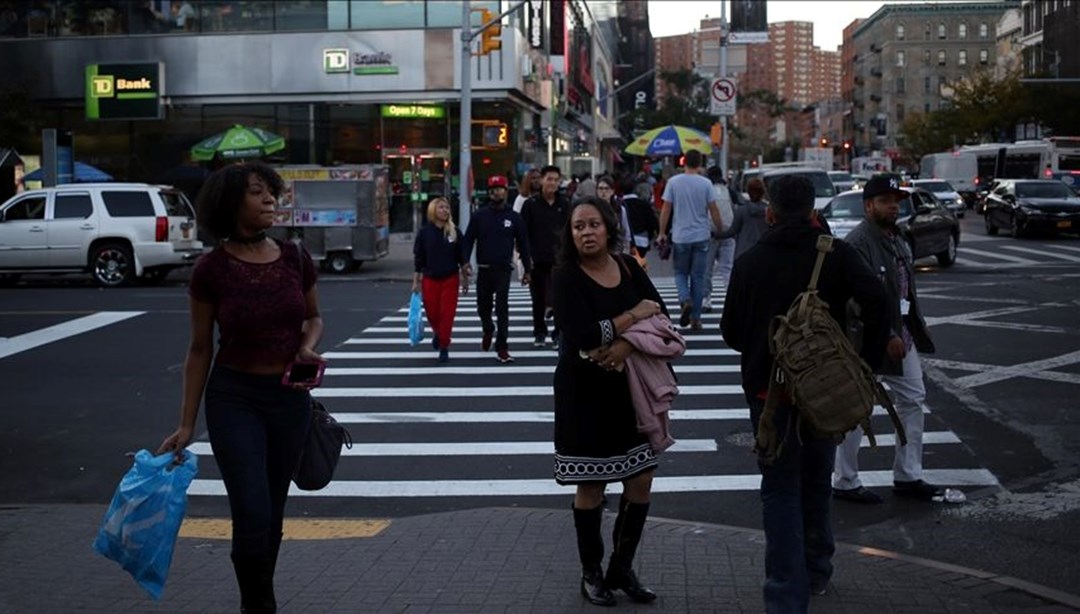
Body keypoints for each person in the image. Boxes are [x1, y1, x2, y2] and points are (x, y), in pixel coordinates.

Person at [158, 162, 324, 614]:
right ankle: (257, 603)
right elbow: (198, 349)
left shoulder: (295, 257)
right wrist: (187, 424)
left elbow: (313, 317)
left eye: (272, 191)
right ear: (232, 203)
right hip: (235, 398)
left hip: (289, 398)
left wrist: (307, 346)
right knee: (250, 508)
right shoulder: (212, 270)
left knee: (271, 511)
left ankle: (260, 598)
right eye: (258, 192)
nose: (271, 199)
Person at [721, 174, 889, 612]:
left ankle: (785, 593)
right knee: (818, 480)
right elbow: (879, 299)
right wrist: (865, 360)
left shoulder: (750, 261)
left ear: (770, 213)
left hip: (768, 394)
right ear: (814, 211)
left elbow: (731, 332)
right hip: (825, 392)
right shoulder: (835, 255)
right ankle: (817, 570)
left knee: (779, 488)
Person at [552, 196, 667, 607]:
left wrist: (622, 346)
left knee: (640, 480)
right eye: (578, 226)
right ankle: (592, 572)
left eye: (593, 224)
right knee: (592, 485)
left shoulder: (629, 267)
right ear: (571, 233)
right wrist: (633, 315)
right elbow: (583, 335)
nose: (586, 232)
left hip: (631, 393)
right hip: (583, 395)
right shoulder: (566, 277)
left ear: (608, 228)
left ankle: (622, 568)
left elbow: (661, 312)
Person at [832, 174, 943, 504]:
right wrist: (887, 334)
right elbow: (855, 300)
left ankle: (908, 475)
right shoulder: (857, 243)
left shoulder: (896, 238)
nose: (893, 206)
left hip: (902, 335)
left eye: (896, 200)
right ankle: (846, 480)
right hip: (869, 339)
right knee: (857, 409)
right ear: (869, 205)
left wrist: (913, 325)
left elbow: (905, 290)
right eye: (885, 201)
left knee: (913, 400)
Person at [462, 175, 531, 363]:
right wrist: (465, 262)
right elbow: (468, 240)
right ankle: (488, 329)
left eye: (500, 189)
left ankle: (502, 346)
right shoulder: (479, 216)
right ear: (489, 193)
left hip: (503, 270)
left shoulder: (514, 218)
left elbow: (523, 244)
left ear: (506, 192)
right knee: (483, 307)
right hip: (484, 269)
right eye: (493, 190)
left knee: (502, 308)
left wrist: (527, 270)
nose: (496, 193)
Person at [657, 150, 723, 331]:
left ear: (684, 161)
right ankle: (696, 319)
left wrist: (662, 232)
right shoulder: (706, 183)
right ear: (700, 163)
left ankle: (684, 299)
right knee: (698, 277)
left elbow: (666, 209)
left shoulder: (673, 182)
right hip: (702, 236)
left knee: (680, 273)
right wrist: (720, 228)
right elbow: (714, 209)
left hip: (680, 236)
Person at [412, 197, 469, 363]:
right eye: (441, 208)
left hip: (450, 278)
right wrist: (416, 282)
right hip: (430, 278)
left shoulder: (454, 231)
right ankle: (438, 333)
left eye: (447, 208)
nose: (445, 210)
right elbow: (419, 259)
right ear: (433, 211)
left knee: (447, 314)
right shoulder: (424, 233)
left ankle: (444, 345)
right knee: (432, 313)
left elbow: (462, 256)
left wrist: (465, 278)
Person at [519, 165, 570, 348]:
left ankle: (558, 333)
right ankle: (539, 331)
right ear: (541, 180)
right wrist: (525, 258)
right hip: (537, 258)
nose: (553, 183)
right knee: (538, 298)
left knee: (559, 299)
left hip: (560, 259)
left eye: (556, 180)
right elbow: (523, 233)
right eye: (549, 179)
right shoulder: (530, 204)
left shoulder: (565, 204)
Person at [703, 166, 736, 313]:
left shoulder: (707, 191)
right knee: (727, 269)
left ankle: (706, 299)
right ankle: (731, 298)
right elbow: (739, 206)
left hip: (710, 234)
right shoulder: (729, 191)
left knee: (707, 269)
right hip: (728, 234)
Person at [716, 177, 770, 259]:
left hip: (744, 251)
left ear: (748, 192)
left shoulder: (742, 210)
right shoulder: (768, 210)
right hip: (764, 251)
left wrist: (715, 234)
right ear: (763, 192)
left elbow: (732, 231)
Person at [620, 175, 659, 258]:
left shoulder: (619, 205)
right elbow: (653, 222)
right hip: (642, 240)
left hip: (625, 242)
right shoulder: (644, 204)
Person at [595, 175, 633, 254]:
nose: (603, 192)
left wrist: (626, 253)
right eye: (601, 188)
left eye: (606, 188)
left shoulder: (620, 210)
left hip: (615, 251)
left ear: (612, 191)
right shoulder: (592, 209)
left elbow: (626, 234)